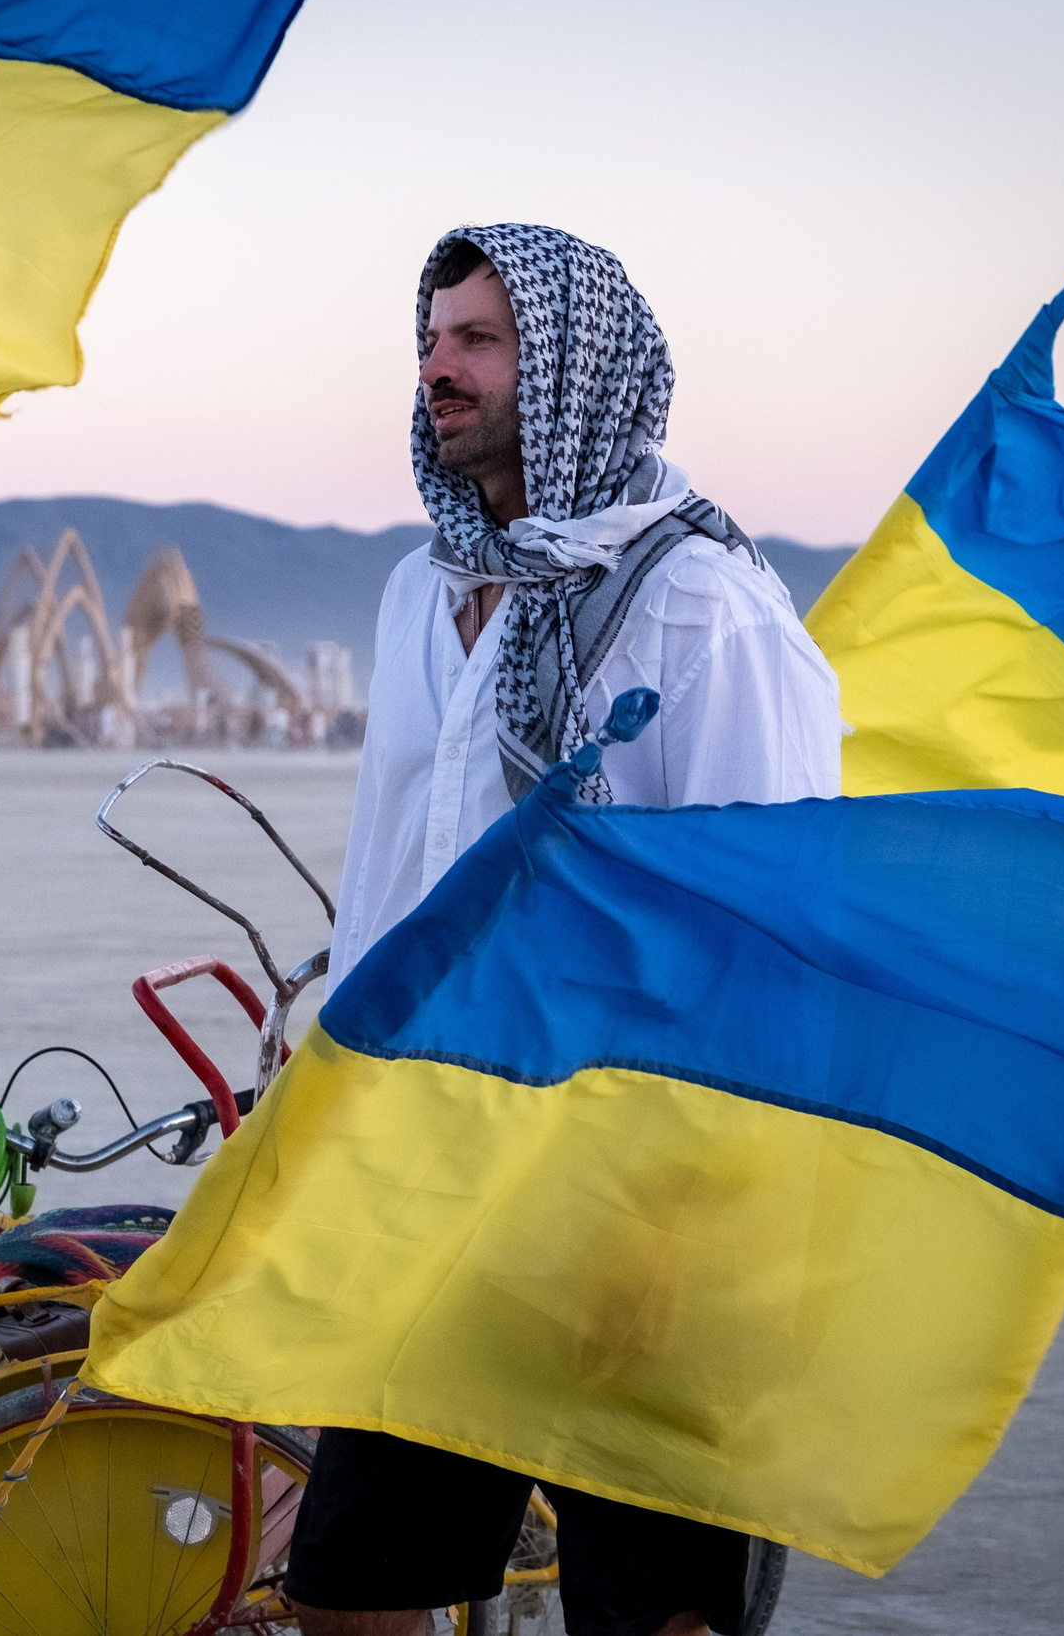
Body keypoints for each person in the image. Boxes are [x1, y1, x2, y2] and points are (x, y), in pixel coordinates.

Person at [291, 227, 843, 1636]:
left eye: (479, 339)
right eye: (430, 339)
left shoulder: (700, 607)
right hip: (437, 1163)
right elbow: (387, 875)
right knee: (352, 1584)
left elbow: (760, 923)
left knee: (654, 1611)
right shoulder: (422, 591)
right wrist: (327, 1088)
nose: (438, 369)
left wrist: (691, 1210)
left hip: (632, 1189)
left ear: (575, 361)